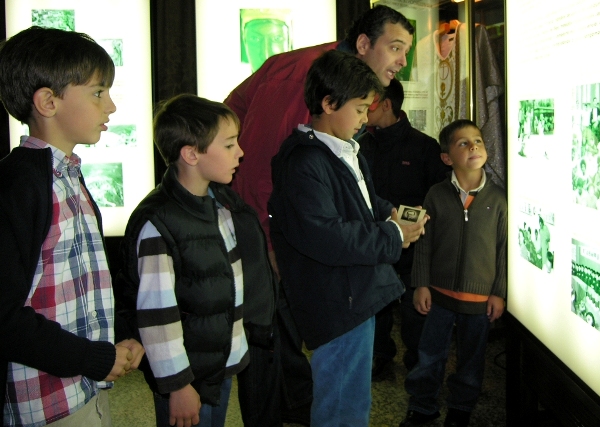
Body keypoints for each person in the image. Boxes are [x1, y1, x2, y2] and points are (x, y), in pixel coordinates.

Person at [225, 5, 415, 424]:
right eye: (396, 48)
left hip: (295, 237)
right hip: (260, 226)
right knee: (273, 345)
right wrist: (270, 242)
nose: (403, 61)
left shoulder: (343, 88)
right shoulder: (304, 76)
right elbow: (258, 165)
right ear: (364, 44)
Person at [268, 49, 427, 426]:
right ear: (327, 102)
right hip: (337, 301)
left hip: (354, 293)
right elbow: (326, 236)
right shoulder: (305, 162)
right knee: (342, 407)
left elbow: (363, 200)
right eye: (359, 108)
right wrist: (393, 235)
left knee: (352, 401)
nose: (364, 118)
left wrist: (390, 212)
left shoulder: (343, 150)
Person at [0, 26, 144, 426]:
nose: (110, 106)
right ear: (48, 101)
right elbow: (6, 315)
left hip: (84, 387)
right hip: (43, 403)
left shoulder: (68, 176)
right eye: (98, 93)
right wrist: (94, 357)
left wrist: (113, 339)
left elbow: (83, 281)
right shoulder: (19, 187)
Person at [115, 94, 277, 427]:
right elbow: (157, 315)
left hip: (218, 363)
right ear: (191, 154)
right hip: (186, 377)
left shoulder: (221, 206)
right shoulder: (160, 223)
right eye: (230, 145)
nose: (241, 153)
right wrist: (178, 385)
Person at [400, 119, 507, 427]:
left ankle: (461, 407)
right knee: (429, 355)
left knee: (472, 360)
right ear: (446, 157)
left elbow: (503, 250)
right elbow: (423, 244)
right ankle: (422, 406)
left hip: (479, 299)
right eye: (463, 143)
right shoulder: (435, 194)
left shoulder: (499, 200)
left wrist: (498, 292)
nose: (474, 146)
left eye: (478, 141)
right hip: (439, 296)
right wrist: (420, 284)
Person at [358, 78, 449, 377]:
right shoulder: (361, 147)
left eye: (369, 102)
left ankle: (419, 366)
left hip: (414, 246)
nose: (364, 109)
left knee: (415, 311)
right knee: (377, 306)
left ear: (386, 104)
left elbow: (441, 195)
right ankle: (380, 357)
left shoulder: (424, 146)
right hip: (376, 242)